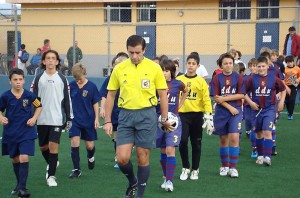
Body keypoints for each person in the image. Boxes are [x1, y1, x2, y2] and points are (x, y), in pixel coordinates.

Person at [103, 35, 172, 198]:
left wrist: (164, 118)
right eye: (131, 52)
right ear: (127, 50)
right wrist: (107, 120)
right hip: (125, 116)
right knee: (121, 158)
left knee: (143, 157)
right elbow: (111, 95)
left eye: (138, 52)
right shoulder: (119, 69)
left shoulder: (154, 68)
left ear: (144, 50)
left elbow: (162, 94)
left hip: (147, 115)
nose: (134, 56)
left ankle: (138, 194)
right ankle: (132, 181)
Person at [31, 50, 73, 187]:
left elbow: (67, 99)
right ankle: (52, 161)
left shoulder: (62, 78)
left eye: (53, 58)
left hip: (56, 118)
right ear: (43, 61)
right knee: (43, 147)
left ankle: (51, 176)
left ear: (57, 62)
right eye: (47, 58)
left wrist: (69, 117)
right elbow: (34, 98)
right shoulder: (38, 78)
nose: (50, 60)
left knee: (53, 146)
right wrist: (35, 113)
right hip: (41, 118)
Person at [0, 68, 42, 197]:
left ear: (24, 81)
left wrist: (34, 118)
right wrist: (1, 117)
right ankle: (19, 185)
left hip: (26, 132)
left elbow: (39, 106)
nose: (18, 82)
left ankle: (23, 188)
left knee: (24, 157)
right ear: (10, 81)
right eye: (15, 80)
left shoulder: (30, 96)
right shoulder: (5, 96)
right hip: (11, 133)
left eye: (20, 79)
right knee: (15, 159)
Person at [176, 54, 212, 181]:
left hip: (197, 116)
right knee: (182, 141)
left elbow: (206, 99)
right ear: (186, 64)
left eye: (193, 63)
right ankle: (185, 167)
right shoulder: (179, 79)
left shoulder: (201, 81)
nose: (191, 65)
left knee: (196, 143)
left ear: (198, 66)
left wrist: (208, 115)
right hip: (183, 115)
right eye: (189, 63)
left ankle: (195, 169)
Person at [245, 56, 286, 166]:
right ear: (256, 67)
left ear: (268, 66)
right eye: (259, 66)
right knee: (259, 133)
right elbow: (243, 92)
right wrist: (251, 103)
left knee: (267, 132)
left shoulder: (273, 78)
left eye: (263, 66)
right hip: (256, 110)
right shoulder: (251, 78)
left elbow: (283, 89)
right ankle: (260, 155)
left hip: (269, 109)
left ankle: (267, 157)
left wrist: (281, 101)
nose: (261, 68)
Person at [210, 53, 245, 178]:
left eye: (230, 63)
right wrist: (229, 106)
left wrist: (227, 99)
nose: (228, 65)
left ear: (233, 64)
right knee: (223, 139)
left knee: (234, 138)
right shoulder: (216, 78)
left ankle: (233, 168)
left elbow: (241, 95)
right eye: (225, 63)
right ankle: (224, 166)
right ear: (221, 65)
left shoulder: (239, 77)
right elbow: (216, 98)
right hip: (223, 111)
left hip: (236, 112)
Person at [156, 59, 188, 192]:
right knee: (163, 151)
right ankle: (166, 177)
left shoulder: (178, 83)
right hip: (158, 122)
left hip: (174, 121)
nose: (164, 73)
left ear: (172, 72)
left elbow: (186, 90)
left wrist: (179, 105)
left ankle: (170, 181)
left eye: (166, 71)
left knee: (170, 150)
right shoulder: (155, 84)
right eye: (162, 70)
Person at [68, 63, 101, 178]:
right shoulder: (70, 86)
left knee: (90, 146)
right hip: (75, 120)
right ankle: (76, 169)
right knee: (75, 141)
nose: (78, 81)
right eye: (76, 79)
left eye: (80, 79)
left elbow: (95, 103)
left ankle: (90, 157)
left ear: (85, 74)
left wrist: (96, 119)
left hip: (88, 120)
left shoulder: (91, 87)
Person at [99, 53, 128, 169]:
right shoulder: (110, 79)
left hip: (127, 111)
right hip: (115, 111)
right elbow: (104, 95)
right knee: (116, 136)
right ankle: (118, 157)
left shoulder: (129, 78)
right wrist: (102, 109)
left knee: (125, 135)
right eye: (116, 65)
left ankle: (126, 151)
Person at [244, 58, 259, 158]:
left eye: (255, 66)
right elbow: (243, 92)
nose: (253, 68)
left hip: (259, 107)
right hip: (248, 106)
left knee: (255, 127)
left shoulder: (262, 78)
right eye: (251, 66)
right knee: (248, 122)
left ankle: (255, 148)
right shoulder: (246, 79)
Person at [284, 56, 300, 120]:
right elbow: (282, 78)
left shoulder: (297, 68)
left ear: (293, 61)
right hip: (287, 86)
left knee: (292, 100)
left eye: (290, 62)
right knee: (287, 101)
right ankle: (288, 110)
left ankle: (290, 114)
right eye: (288, 62)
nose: (289, 64)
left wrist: (298, 80)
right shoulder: (285, 69)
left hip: (294, 86)